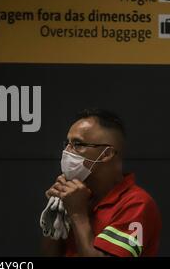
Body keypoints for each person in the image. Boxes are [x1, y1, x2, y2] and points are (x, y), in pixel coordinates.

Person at [43, 108, 161, 257]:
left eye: (78, 144)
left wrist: (78, 215)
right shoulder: (76, 197)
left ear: (106, 154)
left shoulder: (136, 204)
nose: (67, 151)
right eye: (67, 143)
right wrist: (57, 210)